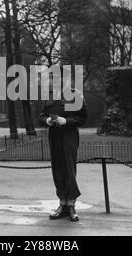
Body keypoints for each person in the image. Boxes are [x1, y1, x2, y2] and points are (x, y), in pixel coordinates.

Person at [39, 75, 87, 222]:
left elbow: (82, 118)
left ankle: (71, 205)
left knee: (69, 170)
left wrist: (66, 121)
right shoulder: (50, 96)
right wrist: (47, 120)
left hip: (69, 136)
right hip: (54, 135)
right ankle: (62, 204)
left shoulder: (76, 95)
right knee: (58, 170)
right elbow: (41, 116)